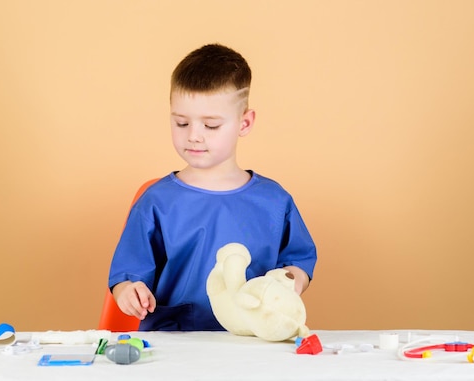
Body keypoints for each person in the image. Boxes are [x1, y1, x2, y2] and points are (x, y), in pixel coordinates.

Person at [108, 43, 317, 331]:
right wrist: (128, 292)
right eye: (182, 123)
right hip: (177, 343)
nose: (194, 136)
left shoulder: (273, 201)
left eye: (211, 126)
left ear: (244, 123)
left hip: (254, 341)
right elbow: (127, 275)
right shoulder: (156, 202)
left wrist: (288, 282)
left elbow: (298, 262)